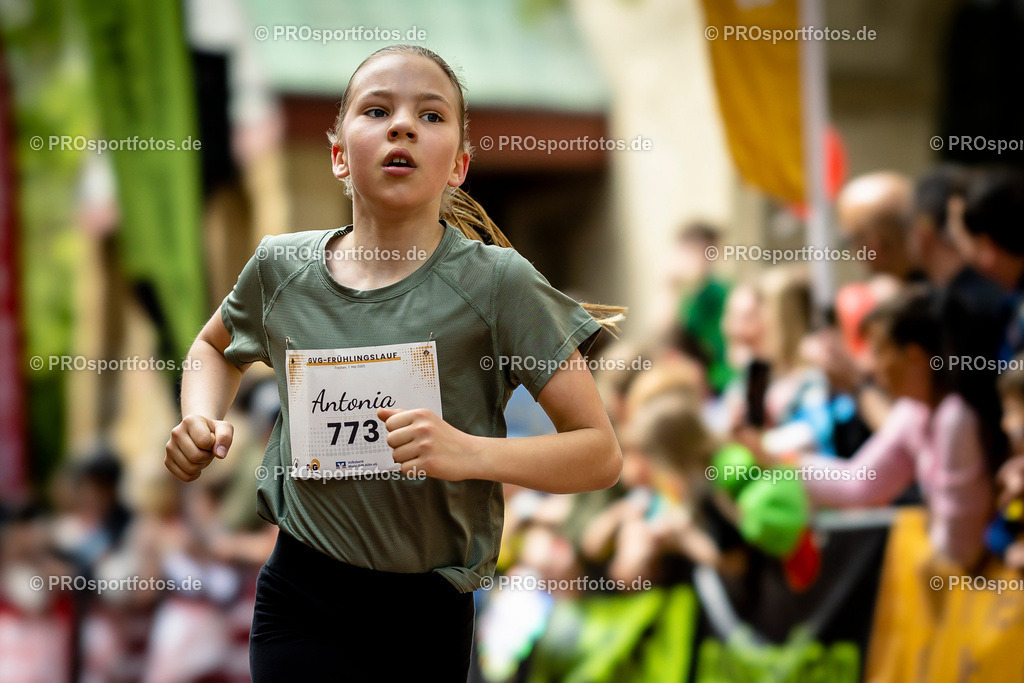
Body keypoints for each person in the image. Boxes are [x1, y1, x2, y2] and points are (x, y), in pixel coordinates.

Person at [164, 45, 624, 681]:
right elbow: (213, 348)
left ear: (459, 166)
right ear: (337, 156)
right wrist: (200, 417)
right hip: (302, 594)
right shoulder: (280, 270)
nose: (403, 126)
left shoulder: (497, 286)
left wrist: (470, 453)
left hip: (426, 609)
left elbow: (599, 453)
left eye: (430, 116)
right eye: (377, 110)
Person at [757, 288, 993, 568]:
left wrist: (928, 564)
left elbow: (961, 547)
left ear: (915, 357)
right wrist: (781, 462)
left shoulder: (956, 418)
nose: (869, 365)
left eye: (880, 351)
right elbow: (860, 482)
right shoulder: (913, 413)